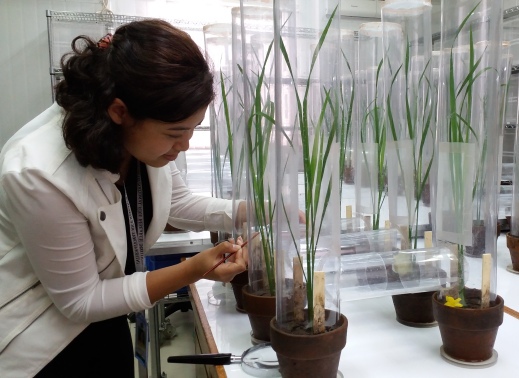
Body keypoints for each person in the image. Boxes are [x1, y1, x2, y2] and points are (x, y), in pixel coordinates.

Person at [0, 19, 247, 377]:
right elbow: (80, 301)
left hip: (106, 320)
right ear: (119, 112)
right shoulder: (39, 174)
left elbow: (177, 203)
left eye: (193, 130)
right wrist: (194, 269)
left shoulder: (141, 141)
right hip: (43, 347)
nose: (185, 145)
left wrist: (252, 211)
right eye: (175, 133)